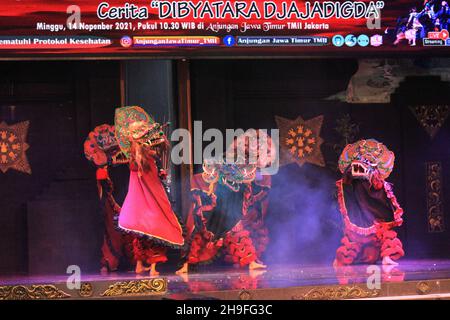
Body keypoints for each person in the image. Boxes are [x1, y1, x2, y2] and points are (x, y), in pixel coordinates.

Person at [115, 106, 184, 276]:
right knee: (155, 230)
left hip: (140, 203)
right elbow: (149, 177)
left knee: (142, 233)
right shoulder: (140, 156)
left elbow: (162, 148)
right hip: (148, 201)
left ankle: (140, 265)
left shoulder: (139, 154)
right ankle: (152, 267)